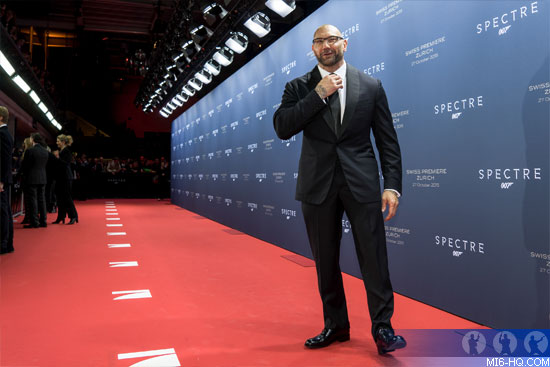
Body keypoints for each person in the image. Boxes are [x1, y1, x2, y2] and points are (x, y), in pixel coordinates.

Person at [273, 25, 405, 354]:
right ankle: (335, 325)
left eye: (332, 39)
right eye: (320, 41)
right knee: (326, 260)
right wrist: (318, 94)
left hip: (362, 183)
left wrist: (392, 185)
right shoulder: (299, 86)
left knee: (374, 257)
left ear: (344, 43)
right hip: (318, 185)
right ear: (313, 49)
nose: (326, 45)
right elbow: (282, 127)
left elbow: (387, 140)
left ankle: (383, 328)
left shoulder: (371, 85)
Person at [19, 133, 49, 228]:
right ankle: (43, 221)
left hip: (31, 178)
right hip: (43, 178)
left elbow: (25, 166)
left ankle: (34, 222)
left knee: (33, 200)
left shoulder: (30, 151)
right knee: (42, 200)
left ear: (33, 140)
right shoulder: (45, 151)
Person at [53, 134, 78, 225]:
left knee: (66, 197)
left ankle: (73, 216)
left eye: (58, 141)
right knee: (60, 198)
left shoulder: (66, 151)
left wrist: (57, 158)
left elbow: (65, 164)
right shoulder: (62, 151)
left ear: (63, 142)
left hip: (66, 177)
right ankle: (61, 217)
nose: (57, 142)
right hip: (61, 177)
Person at [0, 106, 14, 254]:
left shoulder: (3, 134)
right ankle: (7, 243)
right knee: (6, 211)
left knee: (3, 211)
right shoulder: (5, 134)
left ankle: (4, 243)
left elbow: (4, 160)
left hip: (2, 180)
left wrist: (1, 181)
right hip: (4, 178)